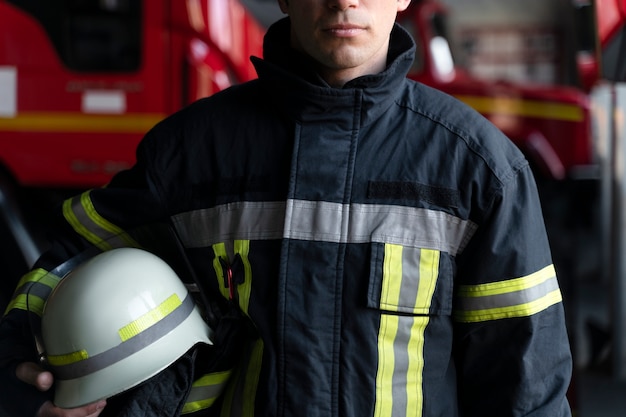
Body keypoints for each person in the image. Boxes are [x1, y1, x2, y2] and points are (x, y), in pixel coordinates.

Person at [0, 0, 573, 416]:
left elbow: (525, 387)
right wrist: (27, 380)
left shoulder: (477, 169)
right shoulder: (191, 154)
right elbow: (66, 268)